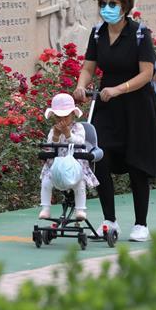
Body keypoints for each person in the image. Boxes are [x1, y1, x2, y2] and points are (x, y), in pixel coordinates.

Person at [73, 0, 156, 242]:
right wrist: (81, 86)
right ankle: (109, 221)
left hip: (137, 106)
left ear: (125, 7)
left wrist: (118, 89)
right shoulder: (97, 34)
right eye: (103, 4)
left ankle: (141, 224)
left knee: (138, 163)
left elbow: (146, 73)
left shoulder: (139, 34)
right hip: (108, 106)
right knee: (99, 156)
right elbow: (89, 68)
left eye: (112, 5)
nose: (107, 9)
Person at [39, 93, 99, 221]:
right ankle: (45, 208)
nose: (62, 120)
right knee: (46, 181)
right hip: (57, 165)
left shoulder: (79, 128)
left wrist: (68, 134)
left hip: (75, 165)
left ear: (72, 115)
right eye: (58, 117)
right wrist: (55, 136)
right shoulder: (53, 129)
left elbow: (80, 142)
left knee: (79, 184)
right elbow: (50, 146)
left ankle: (80, 209)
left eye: (65, 116)